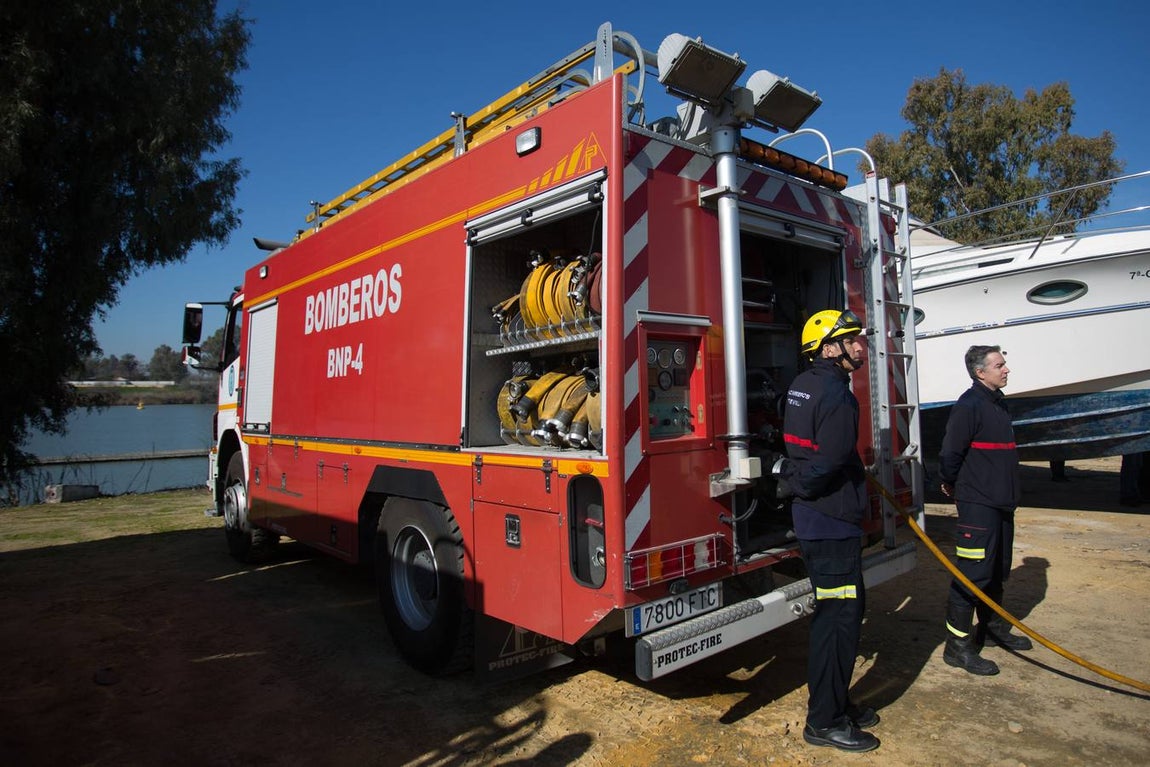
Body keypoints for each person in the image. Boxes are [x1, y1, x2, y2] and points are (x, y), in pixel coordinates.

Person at [776, 309, 880, 753]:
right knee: (838, 621)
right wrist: (798, 484)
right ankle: (825, 721)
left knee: (844, 613)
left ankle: (837, 699)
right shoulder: (838, 395)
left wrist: (791, 484)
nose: (860, 345)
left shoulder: (801, 386)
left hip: (815, 521)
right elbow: (830, 461)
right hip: (832, 523)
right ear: (829, 349)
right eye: (851, 339)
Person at [938, 345, 1032, 677]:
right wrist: (951, 483)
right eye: (999, 365)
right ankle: (957, 647)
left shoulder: (998, 404)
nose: (1006, 370)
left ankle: (992, 631)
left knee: (996, 570)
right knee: (973, 574)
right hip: (978, 505)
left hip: (1001, 504)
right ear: (981, 372)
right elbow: (950, 453)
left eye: (1004, 364)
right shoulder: (969, 405)